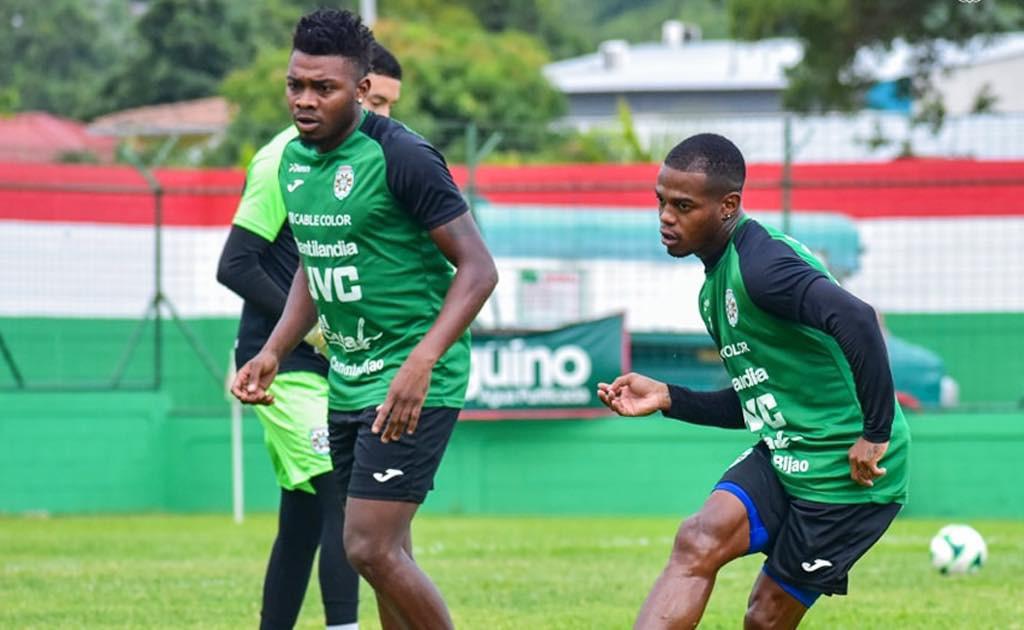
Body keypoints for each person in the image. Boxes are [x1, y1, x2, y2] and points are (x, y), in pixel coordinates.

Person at [230, 9, 497, 630]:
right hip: (346, 378)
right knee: (386, 554)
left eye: (323, 87)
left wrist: (420, 365)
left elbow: (479, 269)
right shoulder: (293, 161)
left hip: (409, 381)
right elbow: (315, 261)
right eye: (296, 84)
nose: (305, 99)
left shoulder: (401, 156)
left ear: (361, 88)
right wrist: (273, 350)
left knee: (367, 546)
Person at [597, 133, 909, 629]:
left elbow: (859, 320)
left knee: (764, 618)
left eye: (683, 205)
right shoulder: (714, 287)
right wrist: (669, 398)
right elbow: (760, 400)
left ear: (728, 206)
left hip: (844, 475)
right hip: (784, 450)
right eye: (660, 201)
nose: (665, 217)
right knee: (696, 539)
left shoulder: (763, 268)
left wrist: (875, 433)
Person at [216, 35, 406, 630]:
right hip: (288, 371)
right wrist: (314, 326)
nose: (384, 115)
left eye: (390, 105)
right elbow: (236, 263)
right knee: (345, 503)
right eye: (377, 100)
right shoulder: (283, 159)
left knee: (302, 521)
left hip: (339, 368)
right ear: (352, 86)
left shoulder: (366, 160)